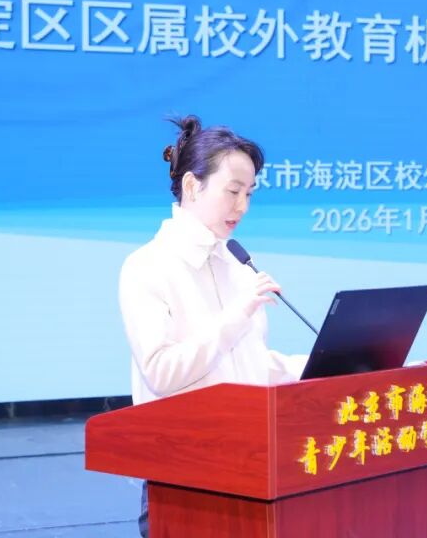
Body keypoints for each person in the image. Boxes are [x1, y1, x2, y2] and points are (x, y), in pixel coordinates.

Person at [118, 115, 307, 537]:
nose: (242, 207)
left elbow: (247, 365)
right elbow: (162, 372)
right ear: (192, 186)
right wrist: (235, 315)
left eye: (250, 194)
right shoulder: (146, 266)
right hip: (184, 478)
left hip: (250, 464)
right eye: (233, 191)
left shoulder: (236, 265)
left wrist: (326, 363)